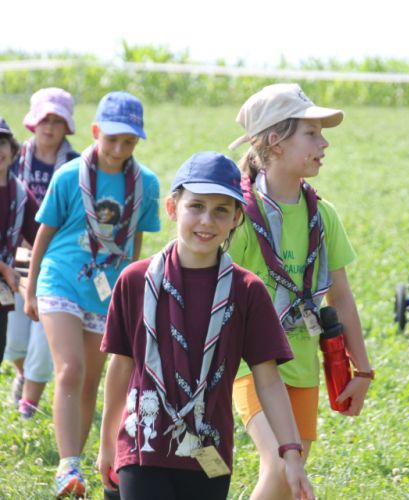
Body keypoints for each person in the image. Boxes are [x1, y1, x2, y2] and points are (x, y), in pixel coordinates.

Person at [97, 151, 315, 500]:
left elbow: (269, 380)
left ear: (236, 219)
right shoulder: (136, 280)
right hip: (142, 447)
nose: (206, 221)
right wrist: (107, 442)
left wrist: (291, 453)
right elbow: (120, 366)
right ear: (172, 207)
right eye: (196, 206)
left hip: (208, 451)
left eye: (221, 211)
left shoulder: (247, 291)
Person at [227, 83, 374, 499]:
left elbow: (340, 298)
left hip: (302, 364)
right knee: (280, 465)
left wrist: (363, 371)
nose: (323, 144)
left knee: (290, 481)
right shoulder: (240, 215)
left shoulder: (323, 215)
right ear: (275, 141)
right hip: (251, 364)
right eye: (311, 134)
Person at [24, 91, 161, 498]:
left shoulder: (147, 184)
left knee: (90, 382)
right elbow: (45, 233)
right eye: (112, 139)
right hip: (60, 279)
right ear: (96, 131)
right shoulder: (69, 175)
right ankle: (67, 465)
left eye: (129, 142)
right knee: (70, 369)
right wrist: (31, 290)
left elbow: (135, 243)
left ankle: (77, 466)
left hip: (106, 293)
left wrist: (131, 294)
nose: (119, 150)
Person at [4, 87, 79, 419]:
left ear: (67, 126)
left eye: (57, 120)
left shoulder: (77, 165)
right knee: (14, 338)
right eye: (44, 119)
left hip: (57, 261)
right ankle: (23, 374)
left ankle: (29, 405)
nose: (50, 127)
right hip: (16, 257)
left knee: (44, 335)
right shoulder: (13, 157)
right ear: (33, 122)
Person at [0, 117, 39, 364]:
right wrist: (4, 268)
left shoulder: (21, 194)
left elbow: (42, 235)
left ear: (13, 149)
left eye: (2, 143)